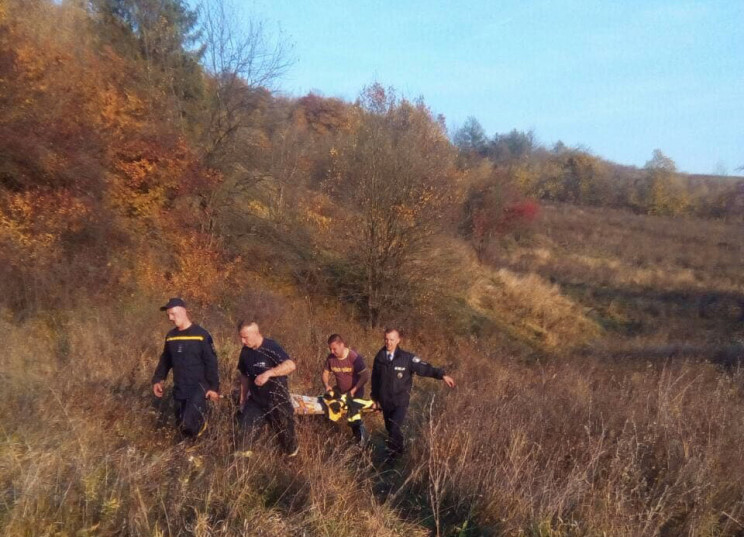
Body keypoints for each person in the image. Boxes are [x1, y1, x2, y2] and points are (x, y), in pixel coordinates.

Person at [371, 327, 455, 458]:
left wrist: (442, 375)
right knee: (391, 429)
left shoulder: (407, 358)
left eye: (392, 340)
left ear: (398, 340)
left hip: (400, 401)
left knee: (394, 428)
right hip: (385, 401)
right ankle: (399, 450)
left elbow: (424, 368)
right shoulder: (380, 357)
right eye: (386, 340)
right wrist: (375, 399)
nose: (388, 343)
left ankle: (393, 456)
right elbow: (375, 379)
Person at [152, 297, 220, 438]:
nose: (170, 318)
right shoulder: (171, 336)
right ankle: (191, 451)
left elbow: (211, 362)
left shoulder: (201, 335)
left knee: (188, 423)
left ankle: (204, 440)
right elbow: (166, 359)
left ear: (183, 312)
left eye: (173, 314)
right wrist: (158, 379)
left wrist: (214, 387)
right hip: (180, 386)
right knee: (181, 426)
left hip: (199, 386)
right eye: (168, 315)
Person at [236, 321, 299, 457]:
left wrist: (268, 373)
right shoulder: (245, 352)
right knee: (245, 430)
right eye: (241, 337)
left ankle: (291, 456)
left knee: (286, 437)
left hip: (277, 399)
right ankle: (243, 465)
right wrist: (242, 399)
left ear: (256, 333)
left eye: (245, 337)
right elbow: (244, 376)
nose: (242, 341)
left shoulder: (271, 347)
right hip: (256, 400)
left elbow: (290, 365)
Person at [322, 334, 371, 445]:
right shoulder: (331, 358)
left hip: (355, 392)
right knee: (329, 405)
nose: (332, 351)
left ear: (342, 345)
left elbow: (365, 375)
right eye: (330, 349)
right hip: (340, 390)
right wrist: (326, 385)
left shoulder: (353, 357)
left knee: (353, 417)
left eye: (334, 349)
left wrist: (353, 391)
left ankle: (361, 443)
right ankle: (330, 436)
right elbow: (325, 373)